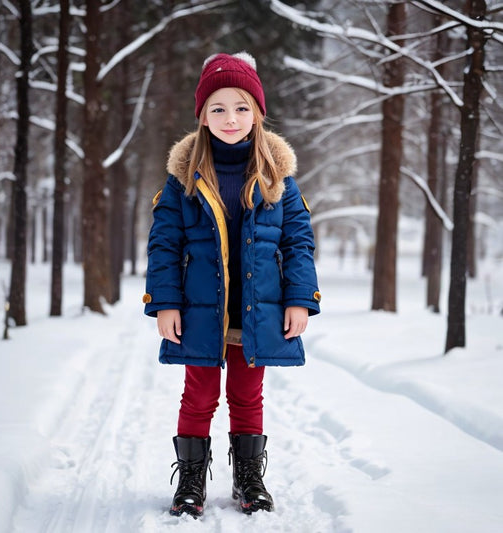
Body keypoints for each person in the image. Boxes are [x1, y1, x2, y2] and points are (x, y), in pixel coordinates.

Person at [143, 51, 321, 518]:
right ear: (201, 114)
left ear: (258, 113)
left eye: (242, 107)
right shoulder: (183, 178)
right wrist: (165, 303)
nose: (230, 118)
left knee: (246, 395)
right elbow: (163, 245)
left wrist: (300, 299)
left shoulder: (276, 177)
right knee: (199, 395)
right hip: (202, 309)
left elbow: (299, 241)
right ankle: (191, 483)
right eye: (218, 108)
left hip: (256, 308)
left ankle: (249, 479)